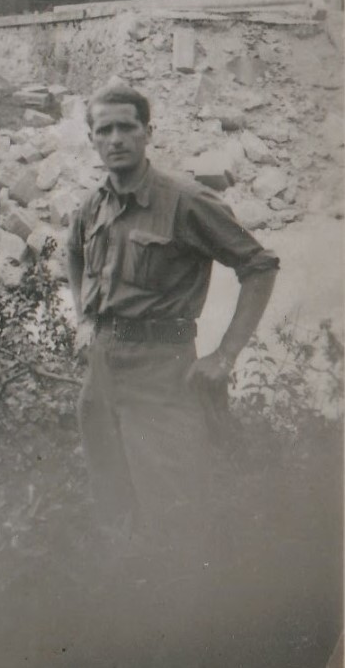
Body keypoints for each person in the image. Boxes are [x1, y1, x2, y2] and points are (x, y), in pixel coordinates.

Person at [67, 79, 279, 556]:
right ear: (91, 139)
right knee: (112, 510)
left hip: (161, 373)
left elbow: (259, 266)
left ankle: (185, 613)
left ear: (147, 132)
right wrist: (84, 318)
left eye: (127, 127)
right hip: (100, 373)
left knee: (176, 516)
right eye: (105, 130)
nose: (115, 139)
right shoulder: (93, 204)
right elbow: (74, 254)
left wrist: (224, 356)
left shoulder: (185, 200)